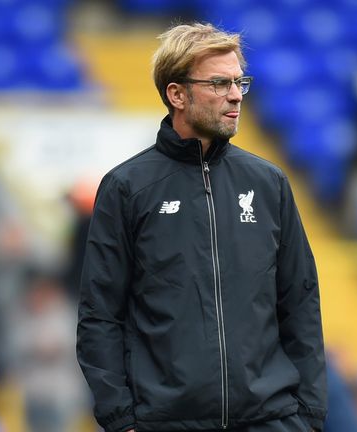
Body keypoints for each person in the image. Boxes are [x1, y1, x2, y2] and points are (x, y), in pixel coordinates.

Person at [76, 23, 327, 432]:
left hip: (271, 420)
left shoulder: (269, 183)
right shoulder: (127, 187)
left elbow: (300, 304)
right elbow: (99, 316)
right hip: (166, 421)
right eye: (219, 83)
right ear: (177, 94)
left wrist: (309, 417)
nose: (235, 95)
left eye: (239, 82)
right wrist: (121, 420)